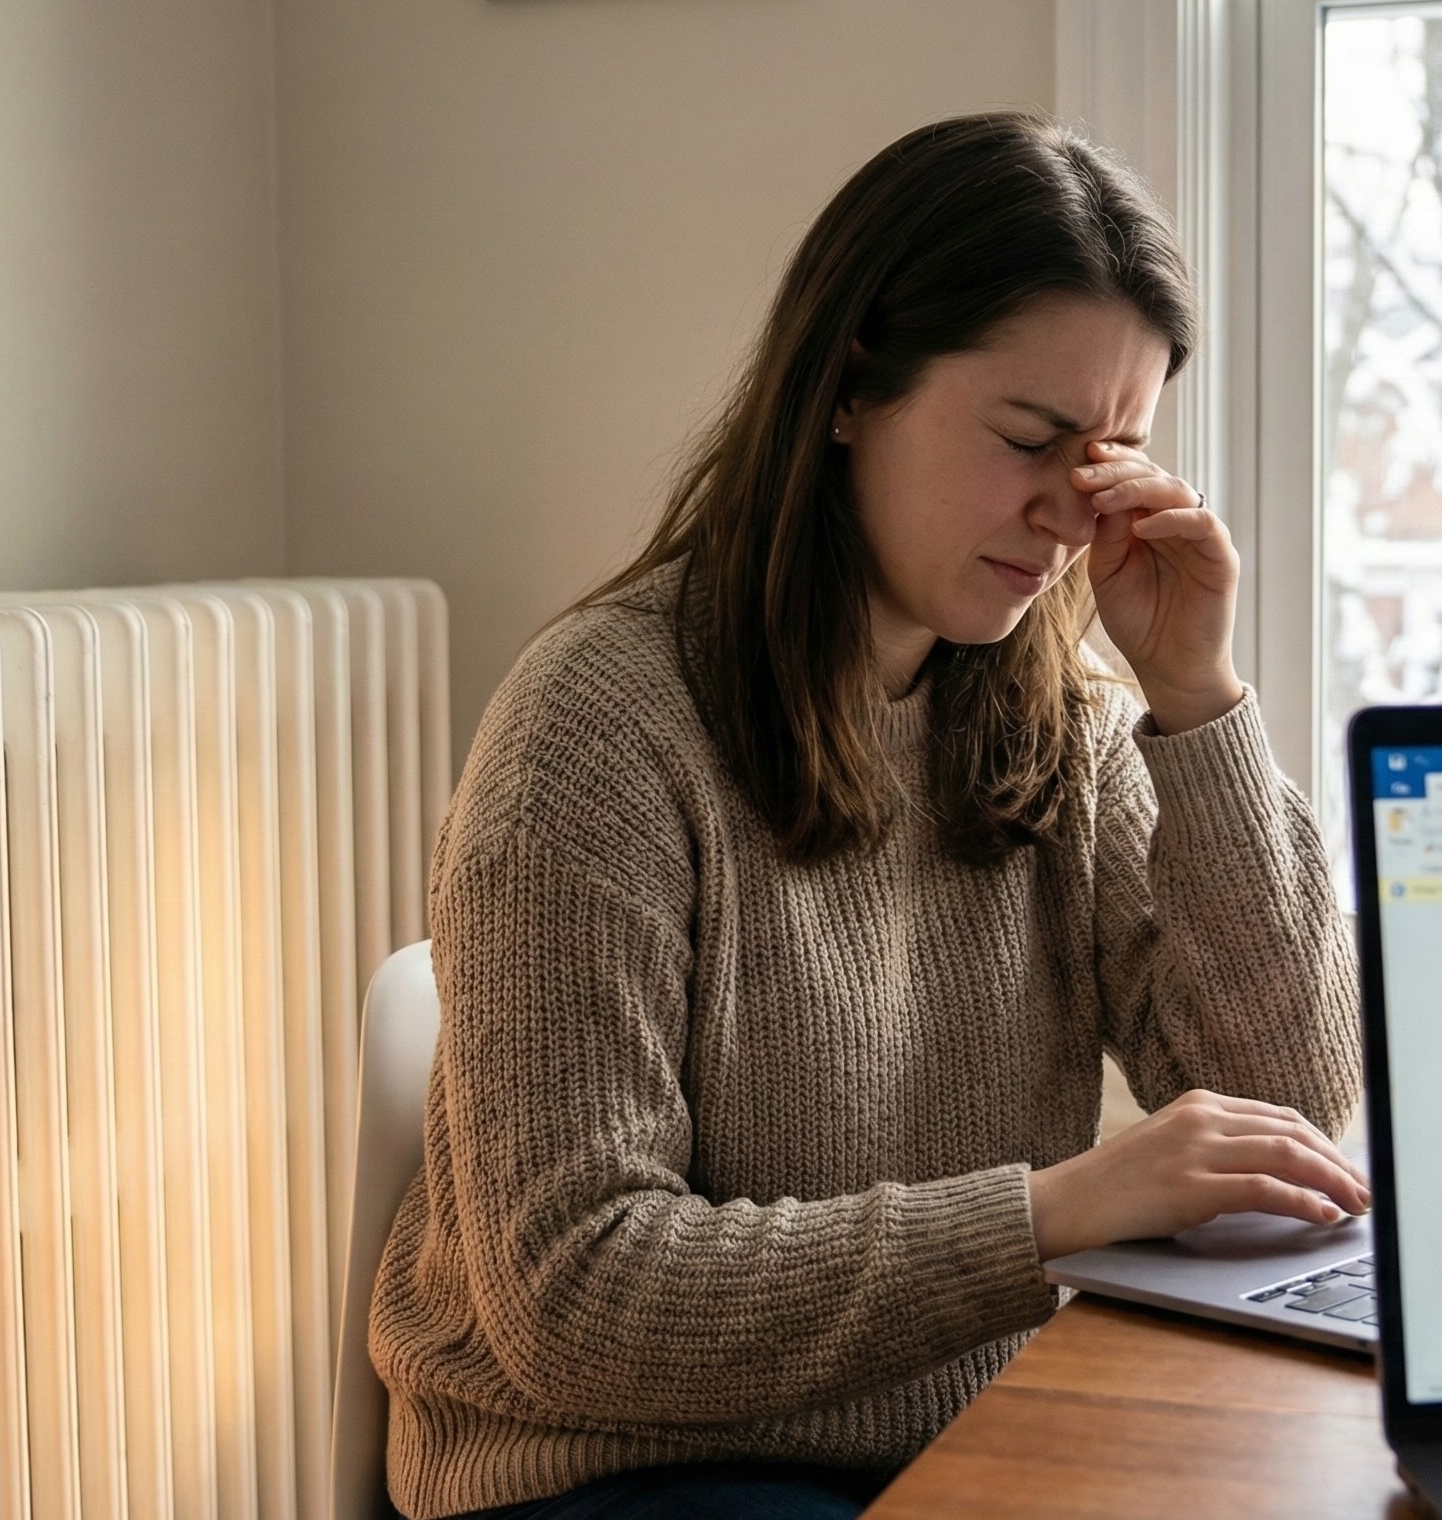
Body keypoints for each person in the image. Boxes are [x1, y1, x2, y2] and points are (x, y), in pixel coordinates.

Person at [366, 110, 1366, 1520]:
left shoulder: (1054, 725)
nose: (1068, 513)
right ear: (849, 388)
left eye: (1113, 454)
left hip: (969, 1441)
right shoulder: (595, 729)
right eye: (1029, 437)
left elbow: (1291, 1114)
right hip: (632, 1472)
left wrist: (1195, 697)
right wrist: (1046, 1217)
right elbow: (575, 1299)